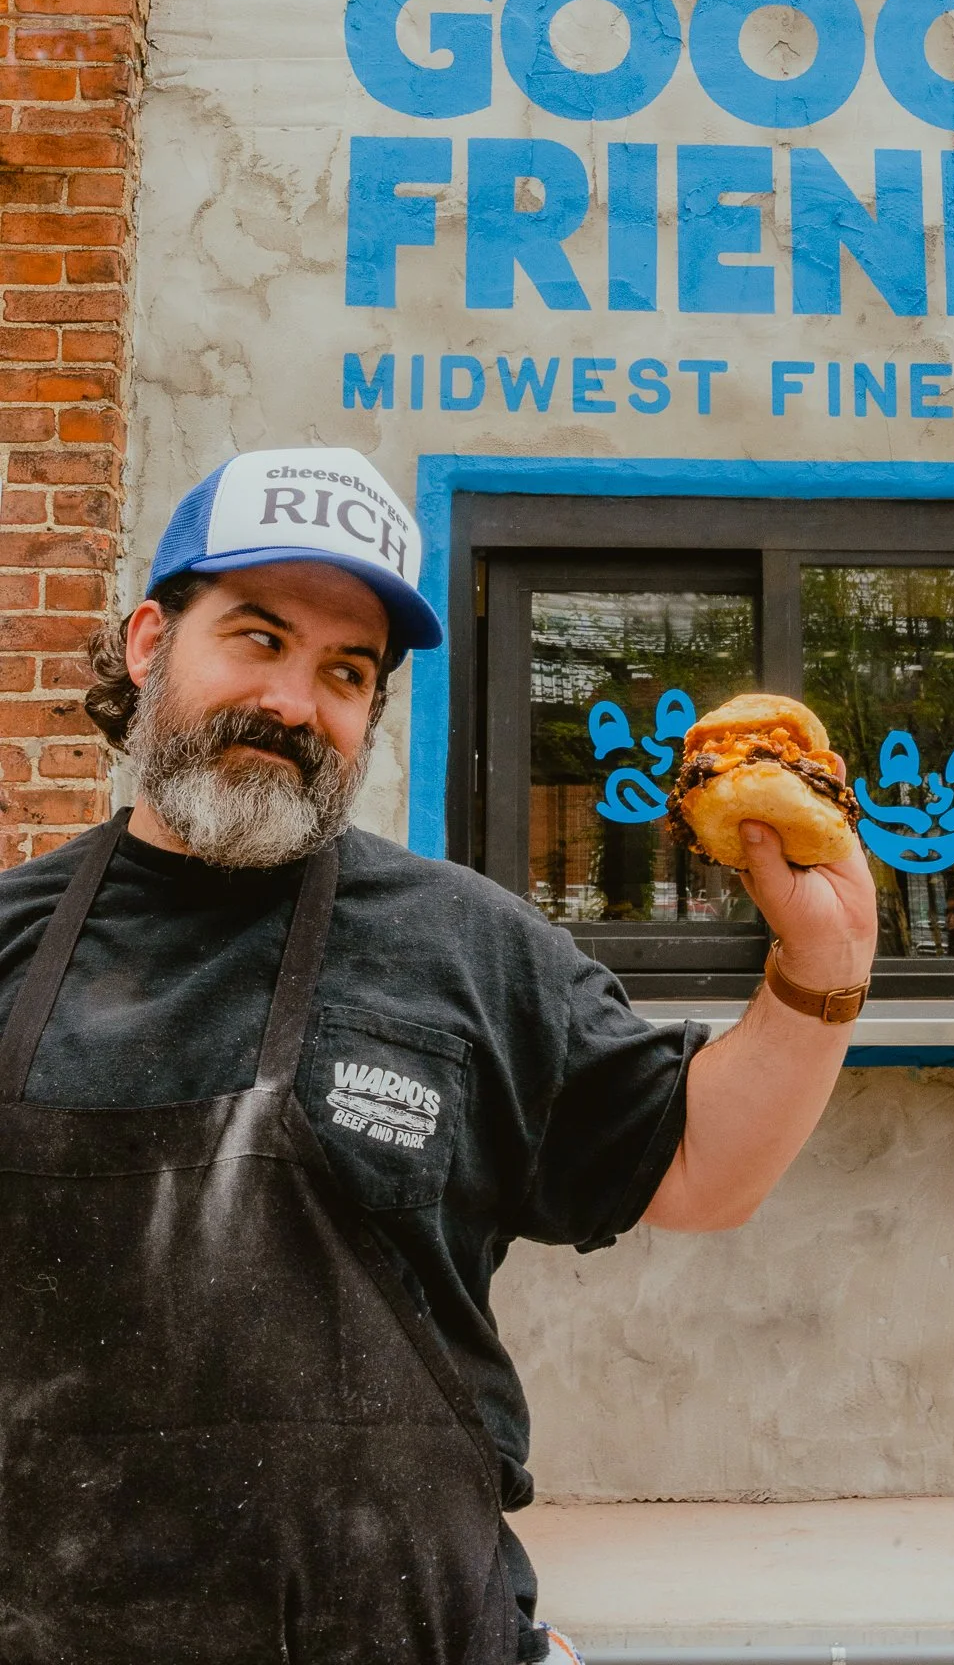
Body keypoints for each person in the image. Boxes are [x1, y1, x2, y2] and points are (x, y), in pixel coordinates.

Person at [0, 445, 877, 1665]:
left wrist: (822, 971)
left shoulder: (472, 949)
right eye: (256, 639)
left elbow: (700, 1172)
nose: (297, 703)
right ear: (151, 644)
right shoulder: (11, 942)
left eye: (345, 671)